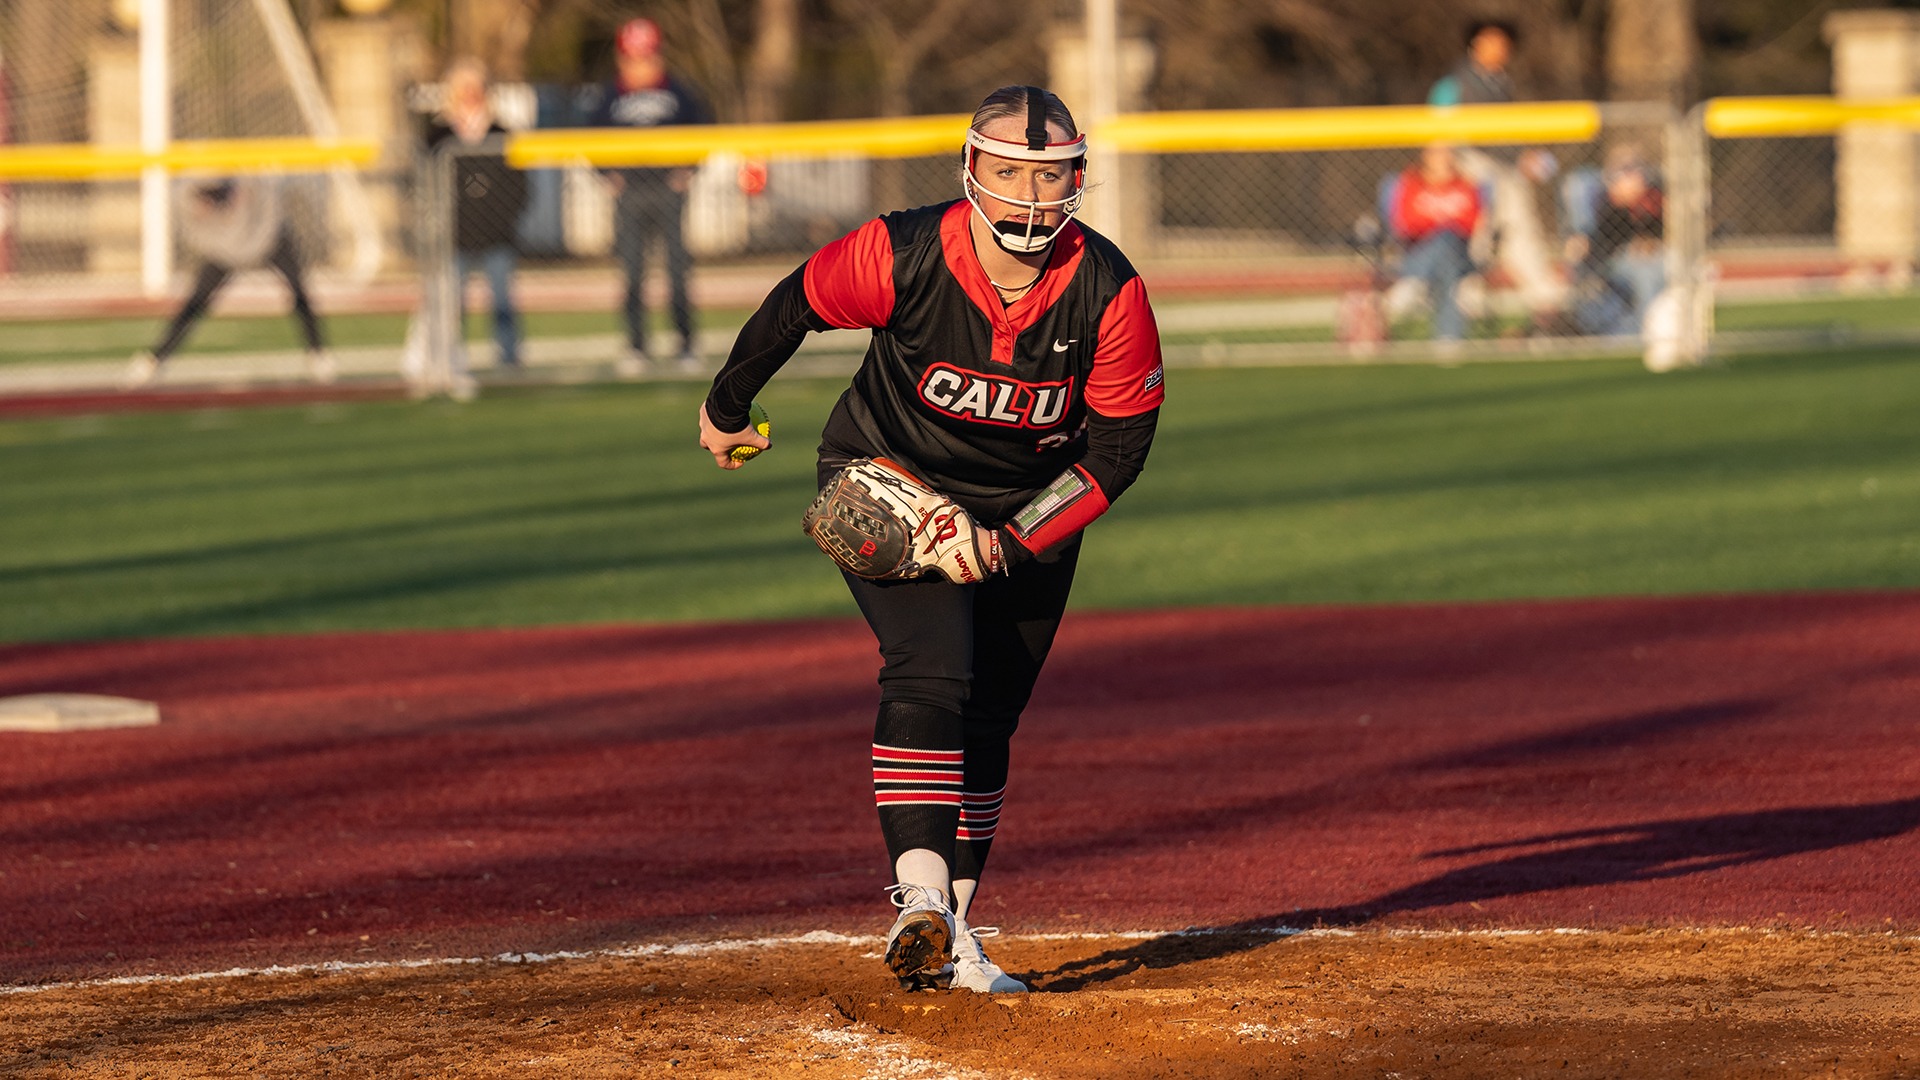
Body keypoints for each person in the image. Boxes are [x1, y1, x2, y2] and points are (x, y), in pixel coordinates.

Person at [694, 85, 1164, 994]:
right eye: (1008, 170)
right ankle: (919, 898)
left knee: (993, 710)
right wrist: (726, 404)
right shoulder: (904, 252)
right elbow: (795, 303)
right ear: (970, 170)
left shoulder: (1110, 290)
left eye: (1052, 173)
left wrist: (1011, 544)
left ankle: (953, 930)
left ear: (1079, 177)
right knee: (932, 665)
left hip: (1033, 506)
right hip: (889, 478)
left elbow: (1115, 452)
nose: (1030, 194)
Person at [587, 18, 712, 377]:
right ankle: (637, 346)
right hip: (630, 193)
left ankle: (686, 343)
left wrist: (688, 169)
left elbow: (703, 130)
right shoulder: (610, 95)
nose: (640, 65)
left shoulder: (678, 92)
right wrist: (606, 175)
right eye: (633, 58)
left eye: (646, 57)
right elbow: (588, 138)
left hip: (667, 191)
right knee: (632, 272)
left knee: (677, 268)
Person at [125, 174, 334, 388]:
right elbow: (202, 240)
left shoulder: (255, 192)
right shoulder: (189, 204)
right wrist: (231, 250)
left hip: (267, 239)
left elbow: (268, 224)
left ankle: (318, 354)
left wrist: (251, 248)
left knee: (299, 291)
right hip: (223, 250)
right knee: (194, 303)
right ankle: (155, 360)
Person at [1427, 19, 1568, 329]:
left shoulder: (1500, 82)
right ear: (1474, 45)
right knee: (1476, 235)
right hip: (1471, 168)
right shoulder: (1455, 84)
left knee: (1518, 229)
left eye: (1503, 44)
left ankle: (1544, 299)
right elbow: (1445, 132)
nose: (1497, 50)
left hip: (1502, 168)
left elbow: (1503, 135)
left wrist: (1523, 158)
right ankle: (1466, 299)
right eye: (1489, 42)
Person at [426, 57, 528, 376]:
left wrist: (504, 216)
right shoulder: (438, 134)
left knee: (502, 302)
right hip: (455, 233)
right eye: (463, 87)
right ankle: (451, 360)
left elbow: (518, 185)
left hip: (496, 232)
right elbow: (427, 184)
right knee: (452, 304)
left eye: (476, 87)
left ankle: (509, 359)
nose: (470, 93)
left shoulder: (501, 131)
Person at [1390, 143, 1483, 345]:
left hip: (1459, 252)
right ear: (1426, 156)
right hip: (1420, 250)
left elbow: (1473, 222)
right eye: (1437, 152)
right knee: (1443, 251)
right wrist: (1439, 225)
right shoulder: (1412, 182)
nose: (1443, 157)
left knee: (1447, 240)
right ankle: (1449, 338)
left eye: (1447, 152)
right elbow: (1406, 223)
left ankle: (1415, 282)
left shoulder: (1465, 183)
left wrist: (1441, 224)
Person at [1567, 146, 1666, 336]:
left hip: (1652, 257)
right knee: (1643, 274)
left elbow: (1656, 232)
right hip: (1613, 261)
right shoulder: (1603, 201)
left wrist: (1646, 239)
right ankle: (1645, 330)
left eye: (1634, 171)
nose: (1631, 179)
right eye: (1624, 172)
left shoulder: (1653, 197)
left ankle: (1653, 327)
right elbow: (1605, 239)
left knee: (1656, 267)